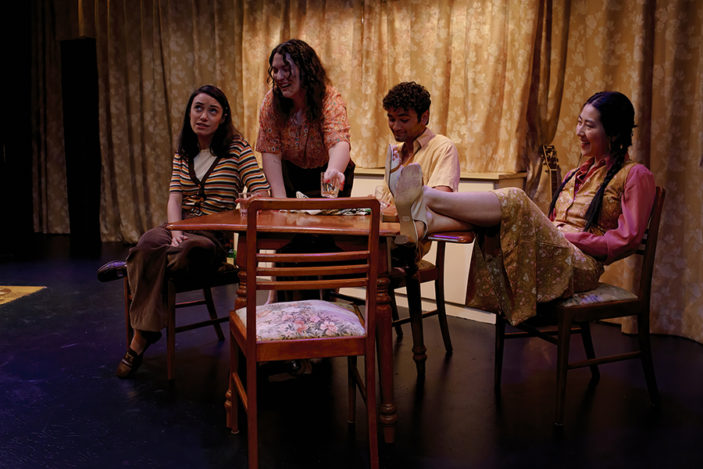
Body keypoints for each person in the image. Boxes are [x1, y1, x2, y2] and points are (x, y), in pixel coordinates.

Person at [391, 91, 655, 326]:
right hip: (556, 256)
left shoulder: (635, 174)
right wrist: (554, 232)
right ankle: (428, 221)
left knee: (516, 199)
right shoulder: (576, 173)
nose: (579, 132)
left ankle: (427, 198)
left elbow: (627, 241)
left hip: (581, 267)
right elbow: (552, 223)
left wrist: (569, 236)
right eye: (578, 122)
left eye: (589, 126)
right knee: (495, 220)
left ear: (615, 132)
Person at [116, 85, 270, 378]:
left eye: (213, 110)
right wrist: (174, 229)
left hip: (211, 236)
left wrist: (250, 201)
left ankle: (138, 330)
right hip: (180, 229)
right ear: (190, 111)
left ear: (223, 118)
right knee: (149, 240)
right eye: (198, 108)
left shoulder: (237, 148)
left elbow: (261, 188)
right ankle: (146, 330)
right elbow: (175, 197)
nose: (203, 116)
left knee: (178, 252)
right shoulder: (183, 150)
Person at [256, 38, 353, 198]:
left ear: (306, 70)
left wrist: (333, 172)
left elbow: (338, 142)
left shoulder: (329, 98)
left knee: (329, 221)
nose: (279, 77)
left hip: (328, 171)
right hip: (290, 175)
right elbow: (271, 153)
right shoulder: (271, 102)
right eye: (275, 70)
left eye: (286, 69)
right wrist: (279, 201)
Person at [380, 81, 460, 245]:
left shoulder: (442, 147)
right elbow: (383, 199)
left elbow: (440, 202)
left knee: (362, 256)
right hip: (385, 232)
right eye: (391, 119)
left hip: (409, 242)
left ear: (424, 117)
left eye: (403, 120)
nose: (395, 126)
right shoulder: (396, 150)